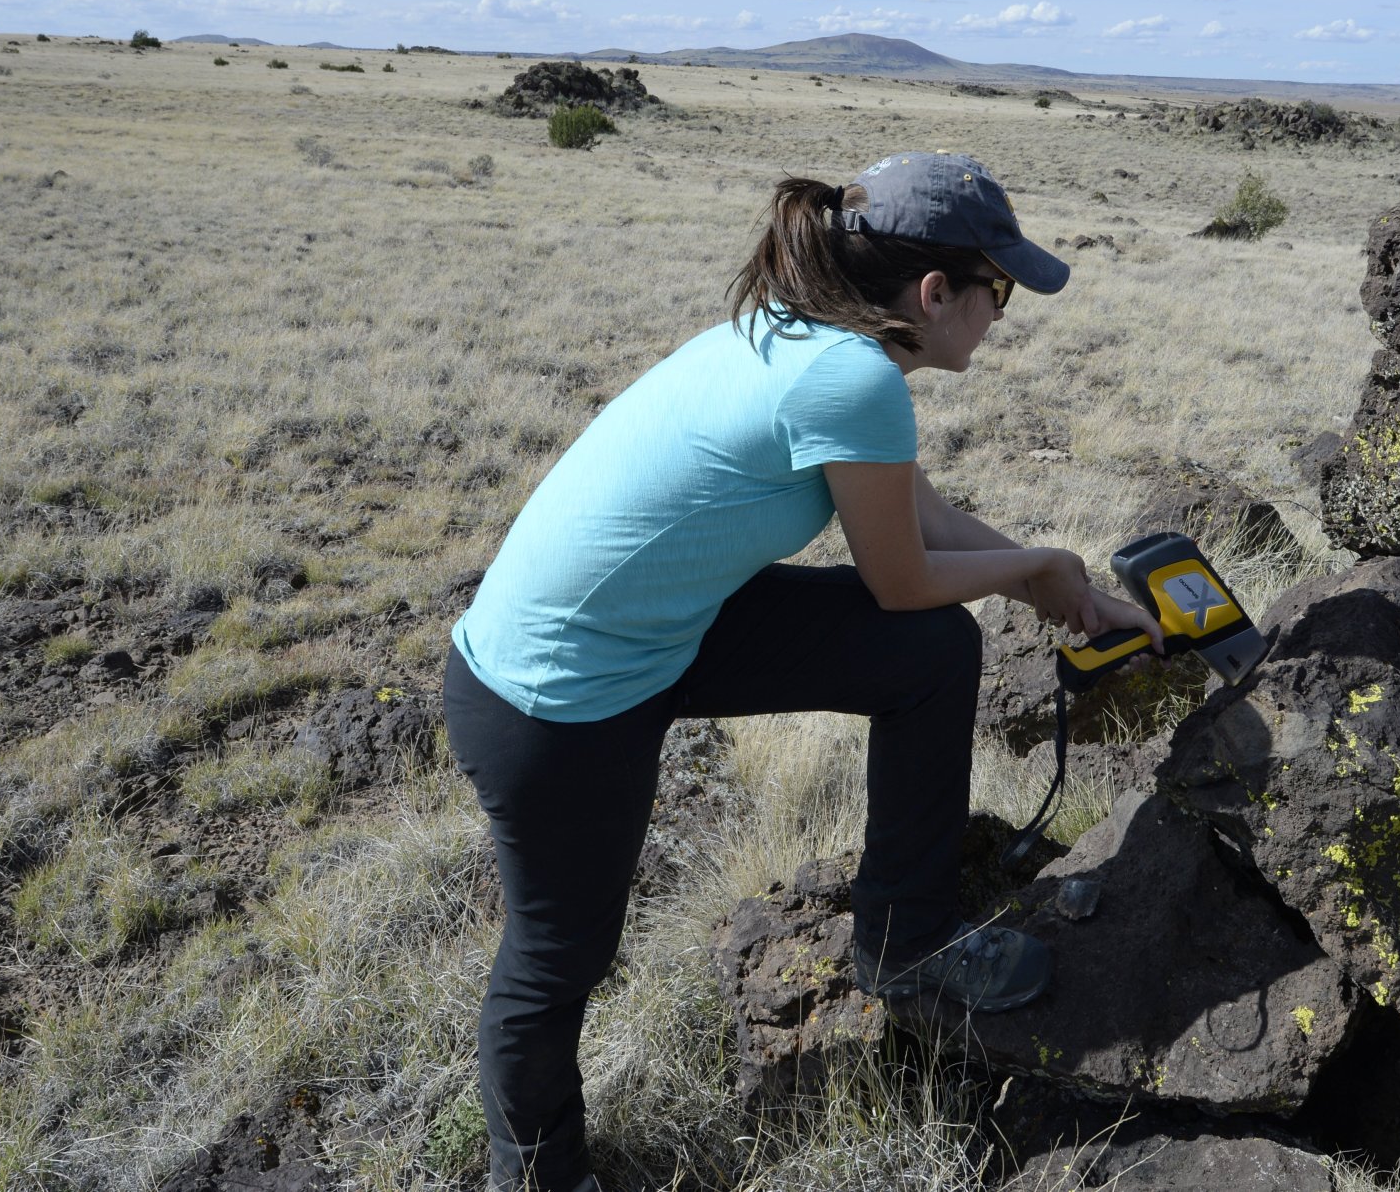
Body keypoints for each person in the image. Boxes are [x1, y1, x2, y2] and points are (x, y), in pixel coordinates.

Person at [443, 151, 1163, 1192]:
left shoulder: (812, 336)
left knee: (928, 653)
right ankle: (536, 1172)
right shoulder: (851, 373)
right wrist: (1034, 569)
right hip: (554, 698)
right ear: (933, 293)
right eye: (995, 290)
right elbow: (904, 575)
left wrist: (1068, 588)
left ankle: (904, 944)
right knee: (558, 960)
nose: (1000, 316)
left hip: (659, 636)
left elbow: (928, 524)